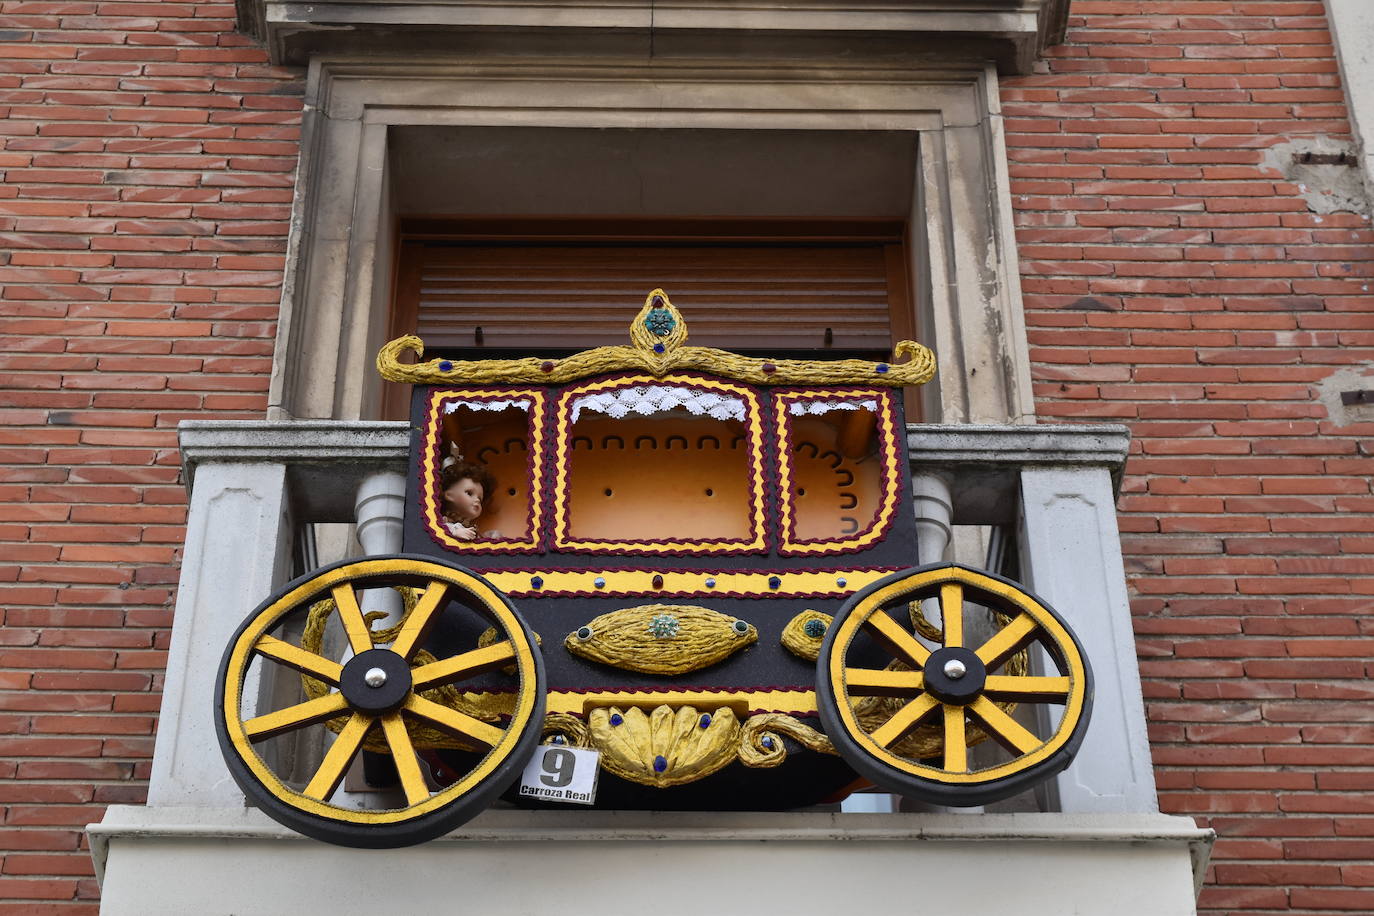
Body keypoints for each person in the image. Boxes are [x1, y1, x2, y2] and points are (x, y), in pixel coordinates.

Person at [440, 461, 497, 540]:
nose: (476, 500)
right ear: (449, 495)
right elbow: (437, 531)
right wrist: (454, 532)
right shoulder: (444, 521)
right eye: (469, 493)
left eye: (480, 499)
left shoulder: (471, 527)